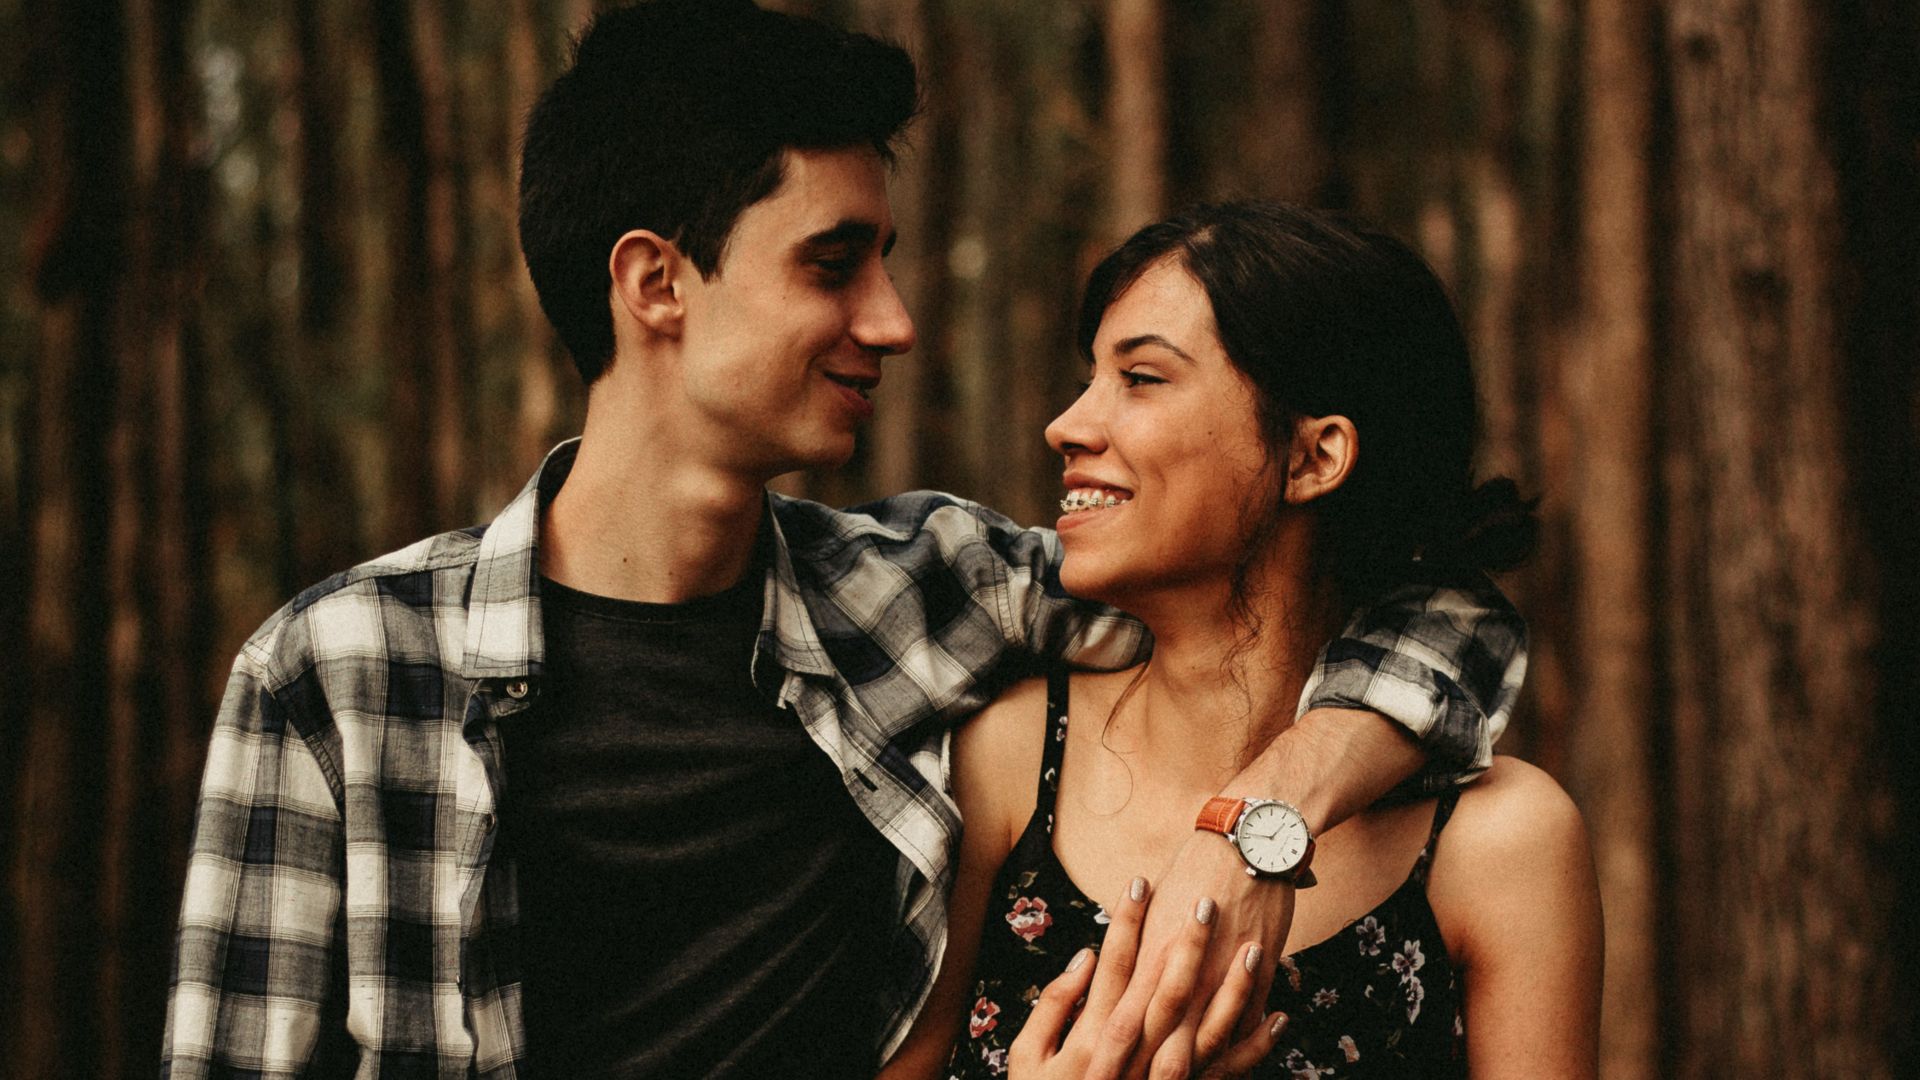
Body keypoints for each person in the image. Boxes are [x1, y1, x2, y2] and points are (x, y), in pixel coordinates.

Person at [158, 4, 1529, 1078]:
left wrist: (1261, 823)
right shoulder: (337, 677)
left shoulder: (925, 599)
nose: (893, 319)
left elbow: (1407, 607)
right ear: (656, 283)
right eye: (834, 263)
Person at [881, 203, 1602, 1080]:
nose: (1067, 425)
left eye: (1140, 378)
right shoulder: (1007, 756)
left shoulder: (1500, 844)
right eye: (1092, 377)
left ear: (1313, 459)